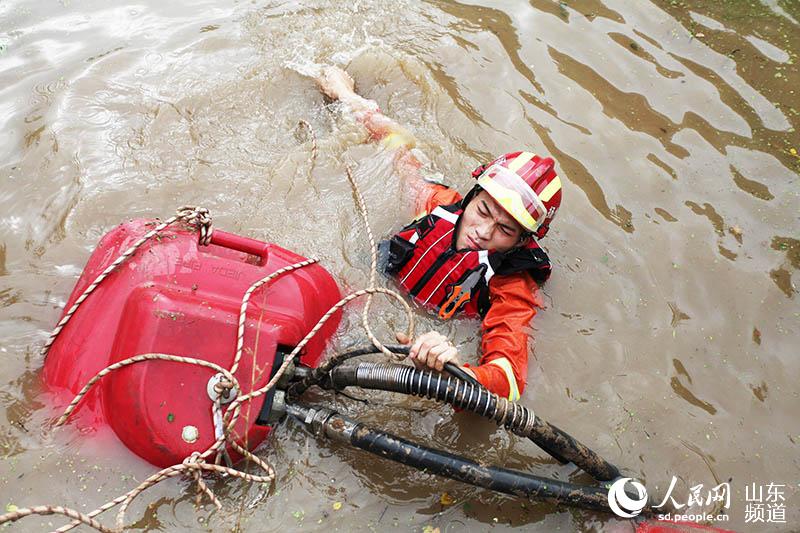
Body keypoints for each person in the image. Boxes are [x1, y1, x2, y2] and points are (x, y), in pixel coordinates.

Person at [316, 67, 562, 401]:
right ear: (471, 197)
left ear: (522, 241)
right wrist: (347, 97)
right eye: (484, 211)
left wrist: (455, 369)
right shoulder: (438, 206)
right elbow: (397, 148)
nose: (483, 231)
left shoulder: (512, 286)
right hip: (378, 291)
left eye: (505, 229)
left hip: (434, 332)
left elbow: (509, 379)